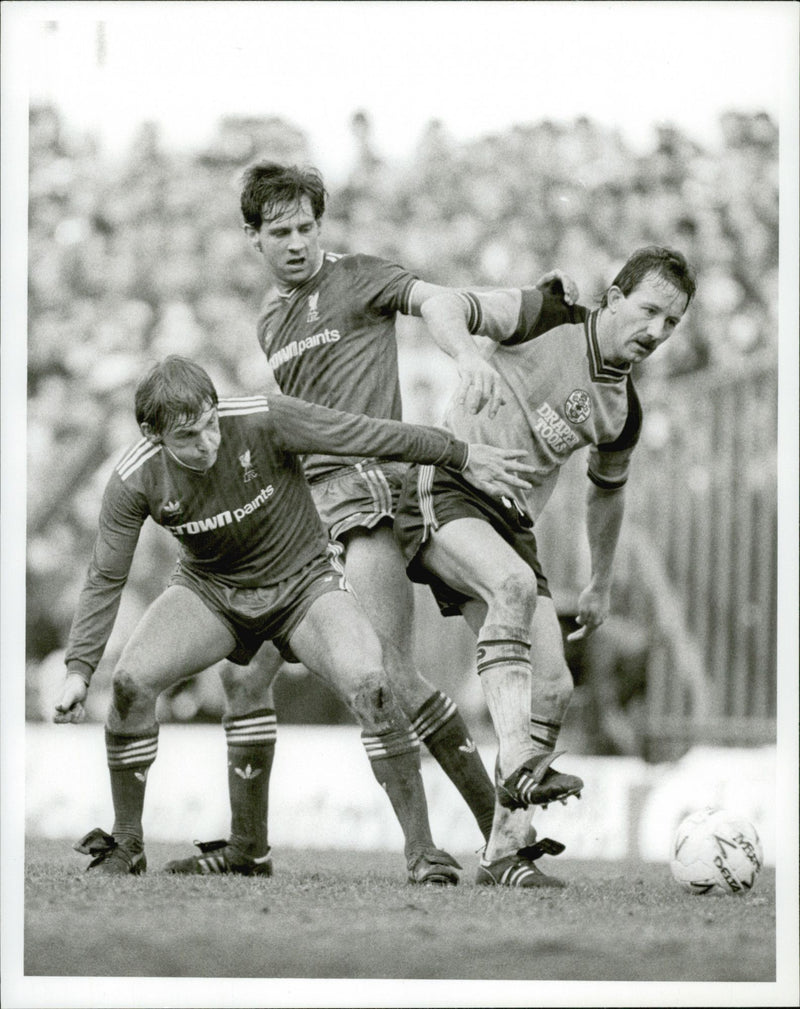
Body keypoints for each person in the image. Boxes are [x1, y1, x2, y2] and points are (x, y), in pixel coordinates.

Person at [161, 161, 581, 878]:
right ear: (252, 238)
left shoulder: (358, 277)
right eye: (280, 231)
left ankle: (477, 844)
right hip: (304, 515)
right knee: (244, 678)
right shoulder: (271, 320)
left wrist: (468, 355)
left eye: (307, 227)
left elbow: (438, 299)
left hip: (371, 497)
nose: (297, 242)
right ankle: (248, 847)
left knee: (387, 675)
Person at [53, 355, 536, 883]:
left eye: (211, 423)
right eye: (189, 436)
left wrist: (461, 455)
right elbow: (106, 575)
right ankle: (128, 844)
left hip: (304, 585)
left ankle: (424, 853)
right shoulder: (133, 479)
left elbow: (367, 433)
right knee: (129, 683)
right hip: (212, 591)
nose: (208, 442)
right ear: (152, 433)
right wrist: (79, 669)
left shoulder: (264, 418)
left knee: (373, 684)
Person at [393, 246, 698, 887]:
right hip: (449, 485)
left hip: (511, 527)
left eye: (672, 323)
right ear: (613, 298)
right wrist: (469, 352)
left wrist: (601, 582)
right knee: (507, 585)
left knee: (555, 686)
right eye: (649, 311)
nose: (657, 332)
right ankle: (522, 765)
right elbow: (446, 304)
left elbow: (607, 491)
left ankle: (505, 849)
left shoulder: (624, 411)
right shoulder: (546, 313)